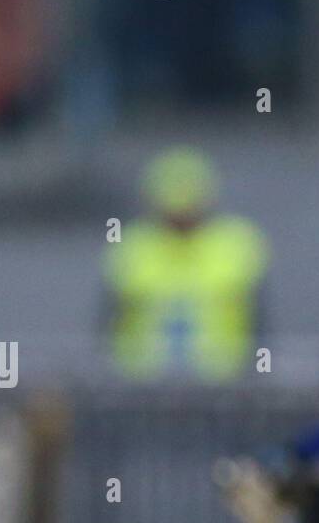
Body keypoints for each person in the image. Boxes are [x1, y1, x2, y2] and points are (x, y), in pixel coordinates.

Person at [103, 147, 269, 381]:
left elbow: (259, 323)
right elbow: (109, 323)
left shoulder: (237, 244)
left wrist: (255, 374)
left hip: (224, 381)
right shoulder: (134, 246)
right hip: (141, 383)